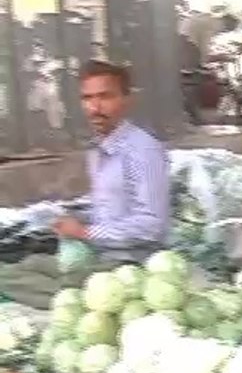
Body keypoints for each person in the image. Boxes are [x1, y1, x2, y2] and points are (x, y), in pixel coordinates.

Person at [54, 60, 170, 264]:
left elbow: (152, 225)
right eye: (87, 98)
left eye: (105, 96)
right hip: (104, 255)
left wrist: (85, 232)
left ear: (127, 100)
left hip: (134, 263)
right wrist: (76, 218)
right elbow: (109, 211)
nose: (95, 107)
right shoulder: (98, 149)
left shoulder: (143, 150)